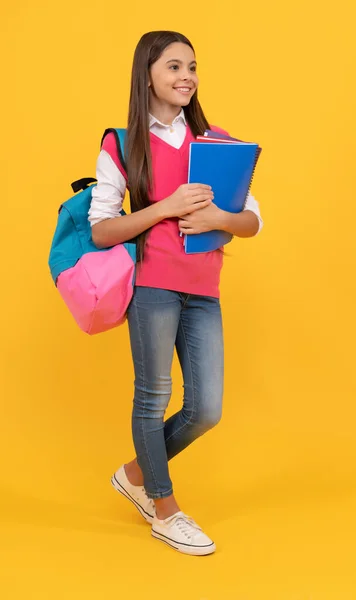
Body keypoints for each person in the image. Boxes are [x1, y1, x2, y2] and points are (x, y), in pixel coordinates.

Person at [88, 30, 263, 556]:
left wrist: (220, 218)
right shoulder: (122, 144)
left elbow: (253, 220)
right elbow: (101, 230)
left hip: (204, 289)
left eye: (192, 67)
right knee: (154, 397)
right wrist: (165, 207)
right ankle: (164, 507)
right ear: (148, 76)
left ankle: (136, 473)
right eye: (174, 67)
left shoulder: (217, 143)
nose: (187, 76)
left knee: (206, 408)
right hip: (153, 288)